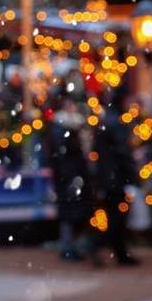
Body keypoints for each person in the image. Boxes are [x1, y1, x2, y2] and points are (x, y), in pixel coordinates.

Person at [94, 84, 140, 266]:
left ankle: (119, 252)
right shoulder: (117, 122)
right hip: (116, 178)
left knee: (115, 215)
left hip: (107, 177)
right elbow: (123, 153)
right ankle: (99, 245)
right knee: (117, 217)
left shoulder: (106, 119)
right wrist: (133, 177)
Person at [47, 99, 96, 262]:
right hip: (69, 178)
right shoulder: (65, 129)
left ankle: (71, 247)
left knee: (72, 213)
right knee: (71, 213)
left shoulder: (65, 128)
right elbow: (65, 156)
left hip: (69, 177)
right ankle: (69, 248)